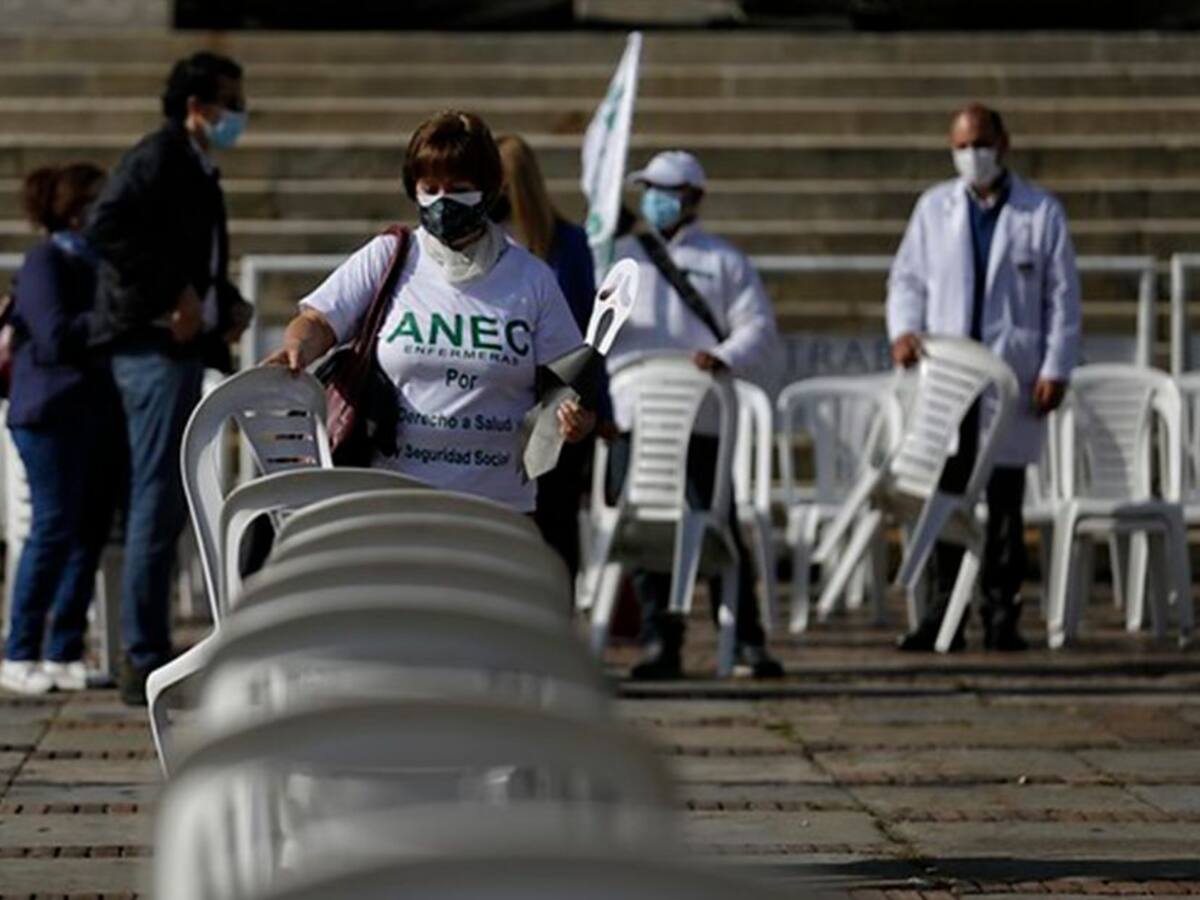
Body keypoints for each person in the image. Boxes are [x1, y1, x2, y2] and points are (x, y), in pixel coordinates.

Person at [265, 110, 593, 512]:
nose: (442, 201)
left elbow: (569, 385)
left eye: (459, 189)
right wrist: (299, 347)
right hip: (391, 501)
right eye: (430, 188)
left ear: (489, 190)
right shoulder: (390, 256)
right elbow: (317, 321)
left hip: (495, 508)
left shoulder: (532, 278)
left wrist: (575, 421)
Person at [86, 51, 254, 705]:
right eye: (230, 102)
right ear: (196, 107)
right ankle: (144, 655)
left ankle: (148, 647)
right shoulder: (158, 156)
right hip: (150, 350)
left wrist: (221, 304)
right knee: (155, 497)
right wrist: (173, 295)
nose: (238, 114)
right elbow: (108, 227)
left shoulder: (194, 165)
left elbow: (190, 256)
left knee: (166, 499)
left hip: (178, 349)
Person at [887, 103, 1082, 652]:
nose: (972, 156)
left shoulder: (1040, 213)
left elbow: (1062, 297)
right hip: (949, 377)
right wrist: (903, 331)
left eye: (980, 143)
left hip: (1010, 379)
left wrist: (1055, 367)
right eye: (961, 146)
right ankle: (940, 617)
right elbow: (907, 280)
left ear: (1004, 144)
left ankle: (1001, 615)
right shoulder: (934, 208)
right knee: (943, 499)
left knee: (1004, 503)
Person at [603, 150, 784, 680]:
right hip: (634, 417)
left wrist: (722, 357)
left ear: (694, 197)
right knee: (644, 528)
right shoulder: (619, 258)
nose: (655, 199)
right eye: (649, 189)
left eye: (667, 189)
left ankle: (745, 637)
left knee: (716, 526)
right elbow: (597, 327)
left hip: (701, 419)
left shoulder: (725, 260)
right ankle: (660, 641)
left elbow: (757, 327)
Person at [1, 164, 123, 696]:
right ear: (75, 211)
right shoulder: (44, 261)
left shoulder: (99, 262)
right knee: (52, 527)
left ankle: (64, 648)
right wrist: (118, 318)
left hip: (93, 414)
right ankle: (20, 649)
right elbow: (53, 337)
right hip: (48, 415)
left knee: (88, 531)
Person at [492, 133, 597, 580]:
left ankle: (555, 610)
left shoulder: (567, 244)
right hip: (507, 402)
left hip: (555, 403)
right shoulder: (488, 241)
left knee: (554, 525)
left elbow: (583, 327)